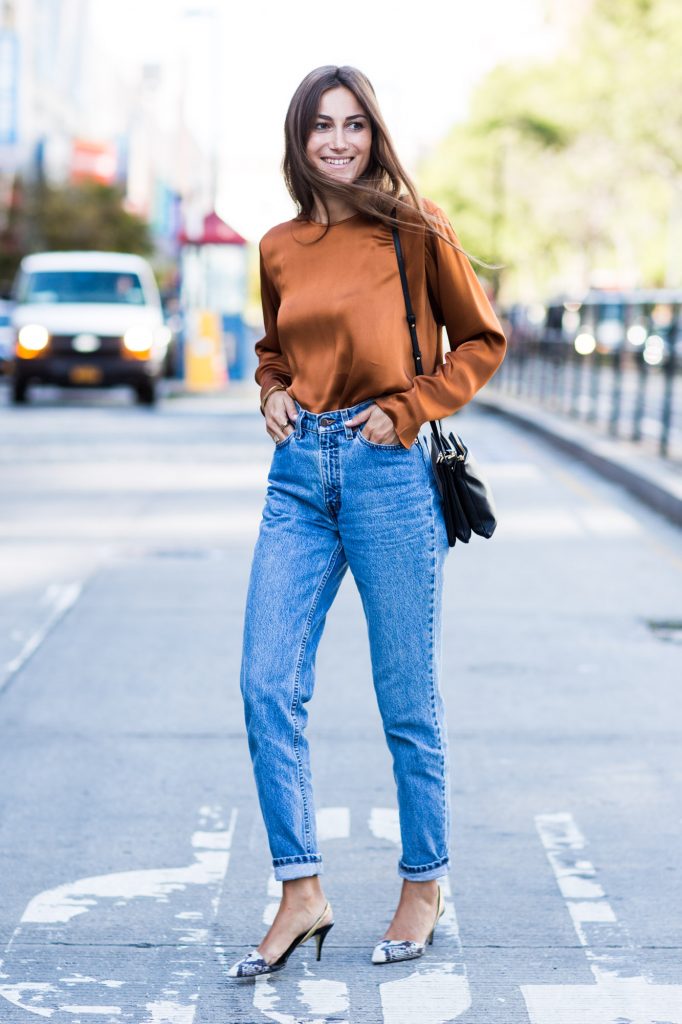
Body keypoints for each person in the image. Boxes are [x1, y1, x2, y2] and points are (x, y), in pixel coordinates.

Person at [228, 65, 506, 979]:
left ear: (374, 133)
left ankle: (422, 883)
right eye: (321, 127)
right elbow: (277, 346)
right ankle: (301, 890)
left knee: (406, 699)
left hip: (390, 472)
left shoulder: (416, 229)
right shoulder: (277, 244)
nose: (338, 141)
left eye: (353, 125)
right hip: (299, 475)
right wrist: (270, 389)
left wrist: (415, 406)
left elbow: (482, 338)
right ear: (298, 141)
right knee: (267, 682)